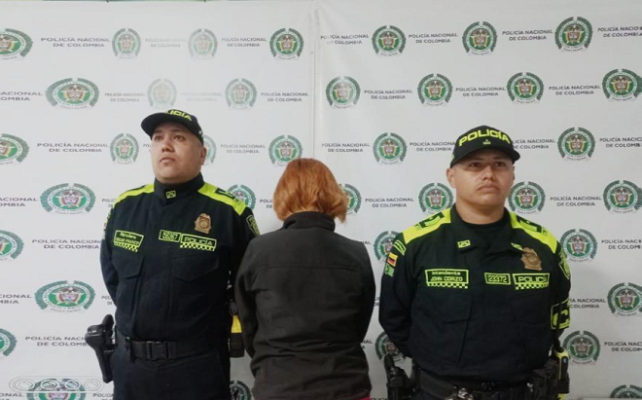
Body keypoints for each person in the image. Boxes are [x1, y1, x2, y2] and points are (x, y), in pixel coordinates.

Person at [379, 125, 571, 400]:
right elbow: (394, 318)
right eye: (475, 165)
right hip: (439, 393)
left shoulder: (544, 245)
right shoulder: (414, 244)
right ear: (452, 176)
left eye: (500, 164)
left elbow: (557, 319)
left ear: (512, 175)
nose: (489, 174)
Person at [100, 109, 258, 400]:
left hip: (196, 369)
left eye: (179, 138)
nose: (165, 145)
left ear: (202, 154)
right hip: (129, 367)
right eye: (157, 138)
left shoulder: (229, 213)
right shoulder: (125, 207)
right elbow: (113, 280)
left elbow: (249, 292)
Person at [235, 158, 375, 400]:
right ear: (333, 193)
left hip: (279, 386)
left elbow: (248, 324)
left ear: (283, 195)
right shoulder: (356, 252)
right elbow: (359, 325)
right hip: (345, 385)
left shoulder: (259, 250)